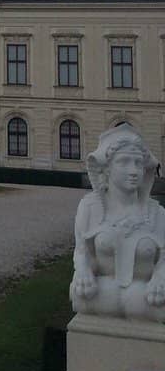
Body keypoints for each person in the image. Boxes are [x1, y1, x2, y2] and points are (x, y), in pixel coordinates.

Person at [70, 125, 165, 322]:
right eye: (124, 162)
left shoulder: (157, 213)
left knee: (139, 299)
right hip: (102, 291)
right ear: (106, 169)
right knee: (85, 295)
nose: (134, 171)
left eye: (138, 163)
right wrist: (83, 271)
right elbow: (82, 251)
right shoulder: (90, 207)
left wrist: (160, 277)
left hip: (146, 294)